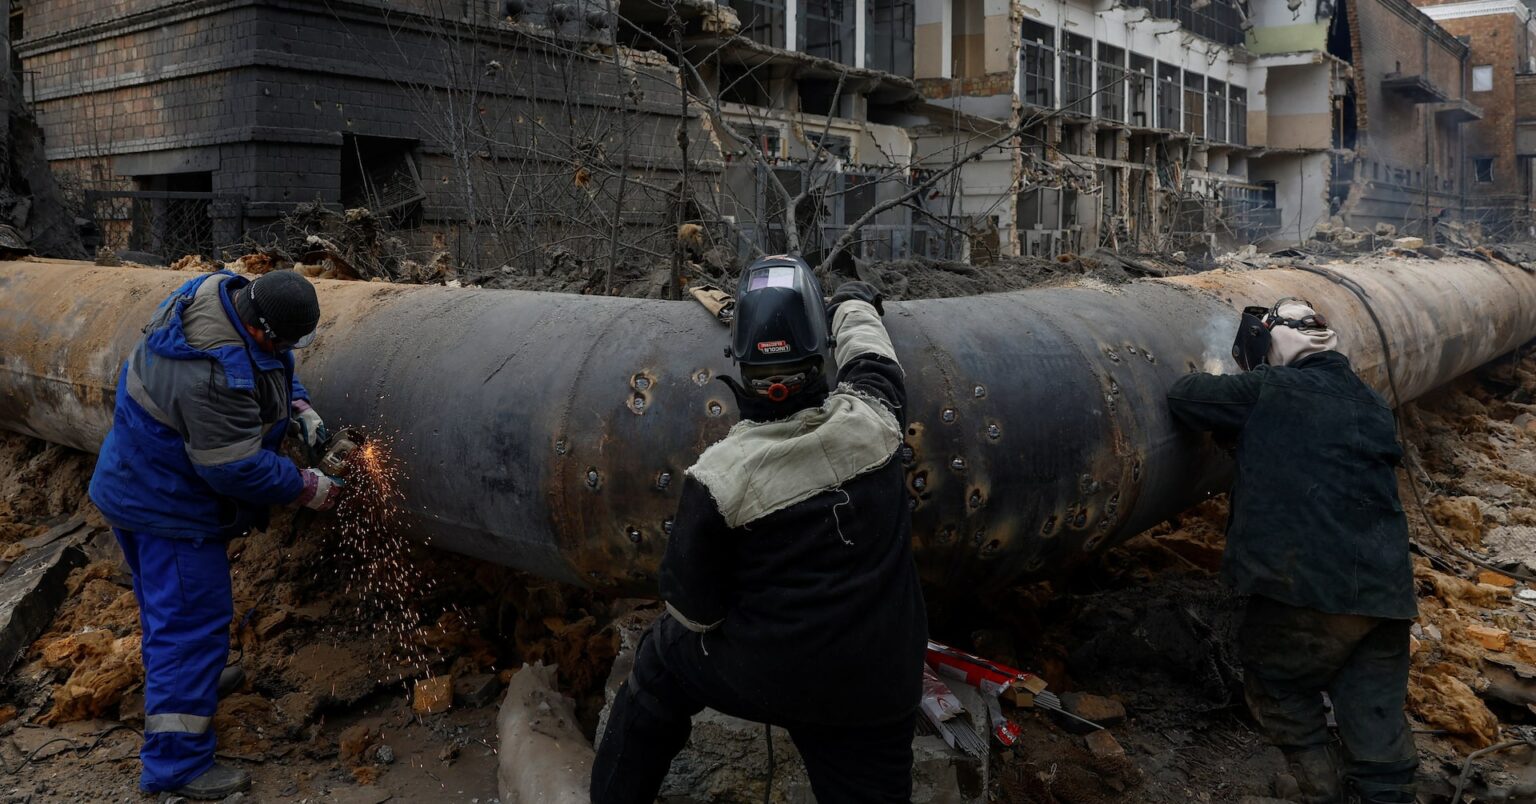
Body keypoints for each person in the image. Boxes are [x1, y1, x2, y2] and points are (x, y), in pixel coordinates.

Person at [591, 256, 928, 803]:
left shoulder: (719, 477)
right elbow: (871, 356)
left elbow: (695, 610)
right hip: (878, 688)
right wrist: (852, 300)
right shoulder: (876, 419)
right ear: (821, 356)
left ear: (740, 368)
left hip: (770, 675)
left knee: (660, 659)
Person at [88, 269, 343, 799]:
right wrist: (305, 486)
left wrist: (298, 404)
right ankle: (176, 764)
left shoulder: (223, 294)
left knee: (173, 614)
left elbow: (269, 363)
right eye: (286, 340)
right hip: (167, 507)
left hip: (140, 481)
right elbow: (234, 468)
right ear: (261, 328)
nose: (289, 349)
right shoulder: (209, 374)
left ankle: (190, 687)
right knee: (190, 624)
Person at [1167, 298, 1418, 804]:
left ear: (1273, 342)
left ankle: (1316, 789)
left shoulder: (1272, 388)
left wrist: (1223, 382)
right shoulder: (1370, 401)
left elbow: (1186, 397)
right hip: (1386, 594)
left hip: (1303, 586)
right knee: (1376, 719)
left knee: (1279, 682)